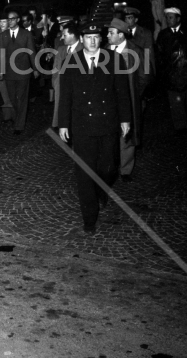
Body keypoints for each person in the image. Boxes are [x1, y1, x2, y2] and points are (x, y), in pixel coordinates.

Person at [58, 23, 131, 235]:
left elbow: (122, 93)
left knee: (108, 168)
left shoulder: (114, 59)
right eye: (88, 37)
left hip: (107, 123)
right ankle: (89, 219)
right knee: (84, 173)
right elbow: (66, 97)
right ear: (81, 39)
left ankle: (101, 189)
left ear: (101, 39)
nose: (92, 41)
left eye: (96, 37)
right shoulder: (71, 62)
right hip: (82, 126)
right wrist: (64, 123)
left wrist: (125, 119)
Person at [105, 18, 150, 182]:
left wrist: (134, 94)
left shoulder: (136, 51)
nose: (108, 36)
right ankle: (111, 166)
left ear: (121, 35)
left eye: (111, 33)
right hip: (109, 101)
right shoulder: (105, 51)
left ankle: (125, 170)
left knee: (128, 135)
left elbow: (144, 76)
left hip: (130, 99)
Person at [156, 7, 187, 134]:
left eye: (171, 17)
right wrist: (165, 76)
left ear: (178, 18)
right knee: (177, 109)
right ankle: (180, 133)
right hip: (173, 79)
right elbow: (160, 58)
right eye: (167, 17)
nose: (168, 19)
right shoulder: (163, 35)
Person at [0, 10, 37, 135]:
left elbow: (32, 52)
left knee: (22, 99)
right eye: (8, 19)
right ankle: (18, 117)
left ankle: (19, 125)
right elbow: (1, 54)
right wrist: (1, 71)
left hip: (23, 72)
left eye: (12, 19)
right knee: (12, 99)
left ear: (18, 20)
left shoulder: (26, 34)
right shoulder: (3, 35)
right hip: (9, 73)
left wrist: (35, 69)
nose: (10, 21)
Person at [51, 22, 82, 127]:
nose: (62, 37)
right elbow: (55, 67)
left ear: (72, 35)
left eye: (65, 35)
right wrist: (55, 82)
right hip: (60, 86)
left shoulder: (83, 49)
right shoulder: (61, 49)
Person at [123, 7, 155, 75]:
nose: (126, 20)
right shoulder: (121, 33)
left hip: (140, 70)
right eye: (125, 18)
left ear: (136, 19)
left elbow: (148, 55)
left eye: (129, 18)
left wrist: (148, 74)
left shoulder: (145, 33)